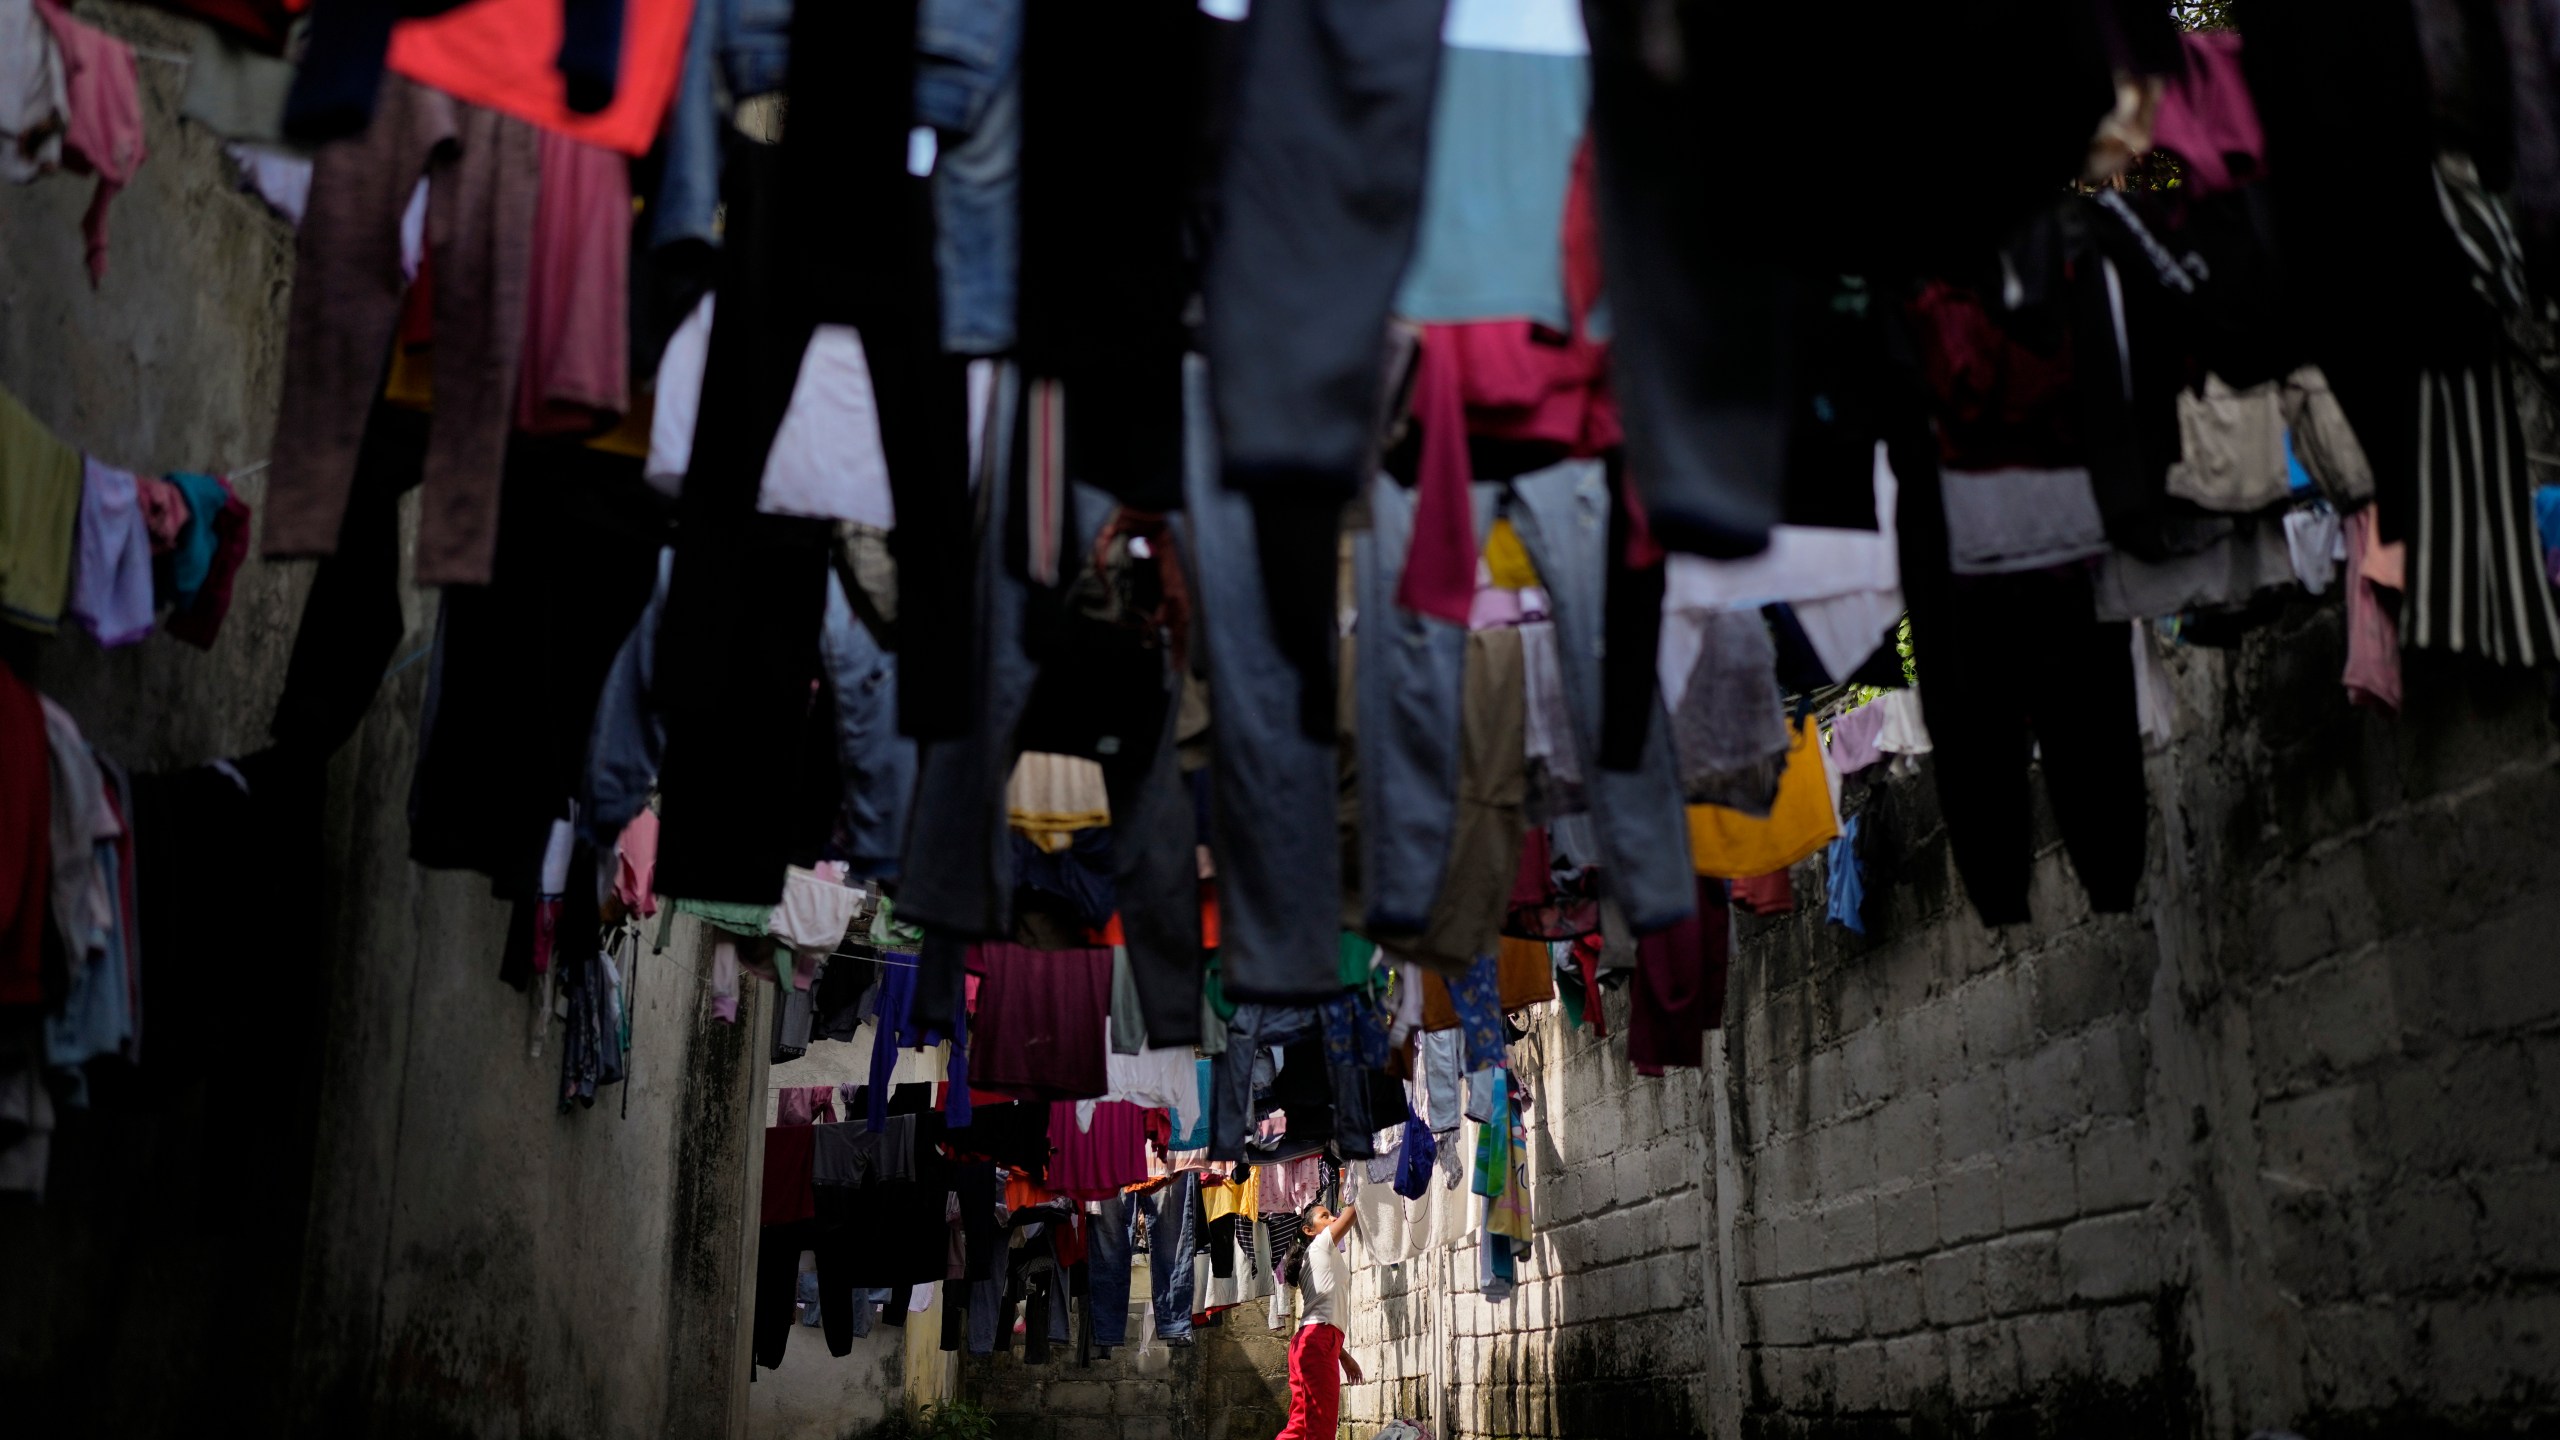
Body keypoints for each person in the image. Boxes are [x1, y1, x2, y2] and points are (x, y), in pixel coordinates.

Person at [1277, 1198, 1362, 1440]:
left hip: (1309, 1342)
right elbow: (1352, 1212)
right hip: (1317, 1342)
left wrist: (1342, 1355)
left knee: (1300, 1425)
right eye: (1324, 1216)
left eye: (1331, 1214)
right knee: (1320, 1426)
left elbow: (1321, 1312)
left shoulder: (1312, 1257)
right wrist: (1365, 1176)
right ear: (1308, 1230)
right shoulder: (1320, 1244)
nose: (1332, 1218)